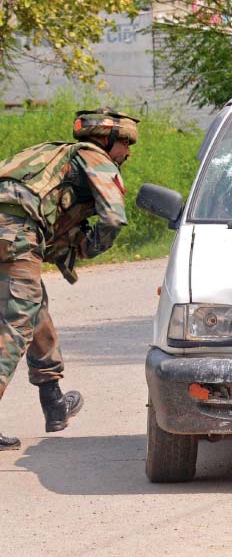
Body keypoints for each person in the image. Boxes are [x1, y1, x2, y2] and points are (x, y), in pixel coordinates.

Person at [0, 108, 138, 450]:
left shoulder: (47, 155)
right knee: (17, 325)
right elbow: (113, 219)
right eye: (124, 144)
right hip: (16, 235)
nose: (128, 153)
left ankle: (54, 403)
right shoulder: (95, 157)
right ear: (106, 140)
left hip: (11, 232)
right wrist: (90, 248)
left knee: (35, 310)